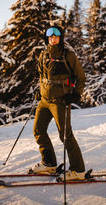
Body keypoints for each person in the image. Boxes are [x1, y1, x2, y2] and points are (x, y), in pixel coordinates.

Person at [31, 24, 86, 180]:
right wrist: (39, 90)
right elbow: (42, 76)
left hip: (60, 101)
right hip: (44, 101)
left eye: (56, 36)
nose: (53, 39)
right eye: (50, 36)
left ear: (61, 38)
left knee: (65, 135)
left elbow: (81, 78)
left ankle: (78, 170)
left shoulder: (68, 55)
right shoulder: (43, 55)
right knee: (38, 130)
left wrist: (75, 94)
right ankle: (49, 163)